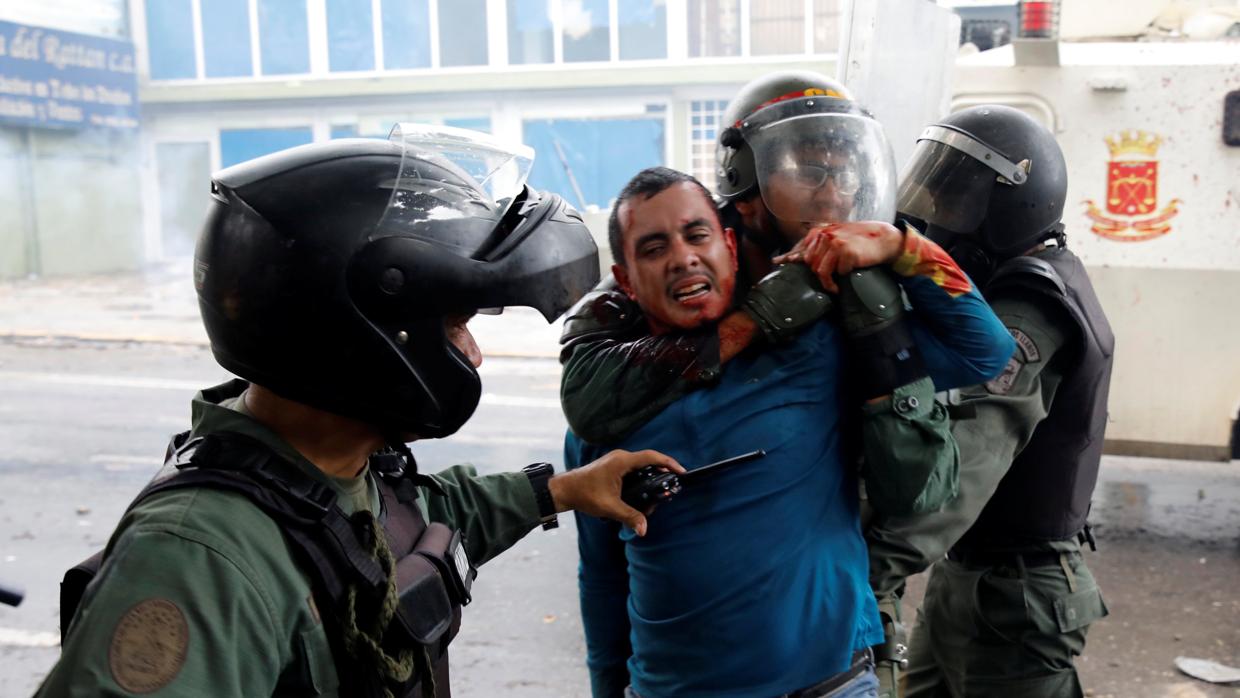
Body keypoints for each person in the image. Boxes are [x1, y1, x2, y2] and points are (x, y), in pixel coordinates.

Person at [37, 126, 682, 698]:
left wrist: (564, 489)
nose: (475, 356)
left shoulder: (335, 469)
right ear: (355, 341)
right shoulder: (197, 562)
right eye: (456, 327)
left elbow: (414, 521)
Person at [567, 166, 1015, 698]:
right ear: (626, 283)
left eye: (697, 234)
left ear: (729, 245)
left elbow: (984, 349)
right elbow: (601, 578)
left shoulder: (818, 347)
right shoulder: (605, 414)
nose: (683, 257)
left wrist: (898, 244)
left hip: (831, 686)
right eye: (653, 247)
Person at [560, 71, 1005, 521]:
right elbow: (587, 394)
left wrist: (904, 246)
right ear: (746, 185)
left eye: (847, 175)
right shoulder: (690, 258)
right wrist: (757, 319)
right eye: (808, 172)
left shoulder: (856, 274)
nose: (833, 196)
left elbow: (985, 353)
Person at [865, 105, 1114, 697]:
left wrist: (866, 573)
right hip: (968, 576)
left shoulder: (1033, 304)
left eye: (953, 203)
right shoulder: (1003, 287)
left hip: (1017, 599)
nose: (931, 217)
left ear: (1011, 209)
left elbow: (971, 453)